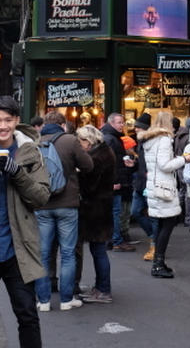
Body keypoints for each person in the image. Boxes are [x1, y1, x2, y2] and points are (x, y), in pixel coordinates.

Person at [0, 96, 50, 347]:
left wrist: (16, 172)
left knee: (27, 315)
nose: (2, 126)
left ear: (17, 121)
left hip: (16, 249)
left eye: (8, 120)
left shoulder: (30, 152)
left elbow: (41, 197)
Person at [34, 111, 93, 312]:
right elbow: (88, 165)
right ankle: (66, 300)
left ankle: (43, 301)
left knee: (43, 254)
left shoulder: (36, 142)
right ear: (63, 124)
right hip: (67, 204)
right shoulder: (70, 140)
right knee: (68, 253)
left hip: (42, 204)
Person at [138, 111, 190, 278]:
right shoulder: (164, 140)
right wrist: (184, 159)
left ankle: (159, 261)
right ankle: (158, 263)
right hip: (163, 188)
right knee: (168, 223)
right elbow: (164, 165)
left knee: (163, 224)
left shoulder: (151, 140)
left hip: (155, 186)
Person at [76, 125, 115, 304]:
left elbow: (90, 186)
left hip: (96, 209)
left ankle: (104, 290)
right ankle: (101, 287)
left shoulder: (97, 157)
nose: (79, 144)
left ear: (89, 141)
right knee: (98, 250)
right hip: (101, 207)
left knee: (98, 250)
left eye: (80, 141)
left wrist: (79, 174)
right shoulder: (104, 152)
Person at [101, 113, 136, 252]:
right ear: (111, 123)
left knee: (113, 211)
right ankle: (116, 240)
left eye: (123, 122)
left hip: (115, 178)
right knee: (115, 211)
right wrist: (113, 181)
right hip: (113, 181)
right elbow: (108, 162)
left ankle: (111, 239)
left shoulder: (113, 137)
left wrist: (125, 163)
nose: (122, 125)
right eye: (119, 122)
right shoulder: (110, 139)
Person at [130, 113, 158, 262]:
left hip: (149, 182)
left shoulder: (151, 142)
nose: (135, 129)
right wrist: (133, 165)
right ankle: (154, 237)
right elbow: (141, 163)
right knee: (135, 212)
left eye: (138, 127)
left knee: (152, 214)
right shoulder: (141, 142)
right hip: (140, 183)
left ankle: (155, 244)